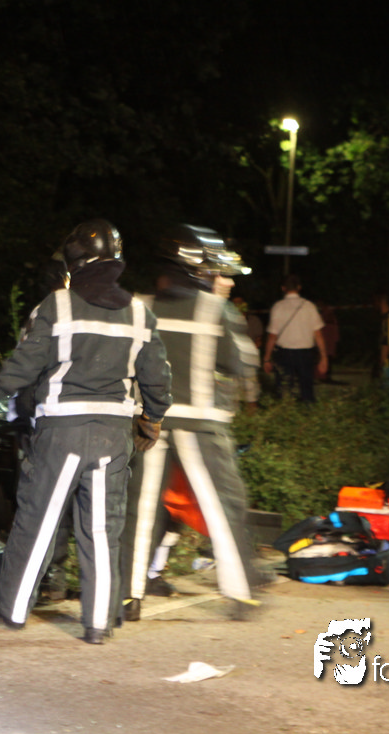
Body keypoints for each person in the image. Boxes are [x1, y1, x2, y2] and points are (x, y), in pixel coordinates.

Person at [0, 219, 171, 645]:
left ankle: (13, 611)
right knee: (101, 530)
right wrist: (151, 420)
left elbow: (25, 364)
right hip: (113, 436)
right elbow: (157, 378)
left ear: (74, 261)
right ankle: (97, 624)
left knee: (39, 521)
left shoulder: (57, 306)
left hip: (61, 431)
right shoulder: (141, 314)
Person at [120, 224, 260, 621]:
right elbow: (237, 363)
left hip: (150, 421)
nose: (220, 277)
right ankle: (241, 594)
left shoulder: (141, 305)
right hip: (200, 424)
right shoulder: (215, 310)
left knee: (141, 509)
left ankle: (128, 596)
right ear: (200, 269)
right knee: (222, 506)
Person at [263, 274, 328, 402]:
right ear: (299, 287)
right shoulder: (309, 306)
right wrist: (323, 357)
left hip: (284, 354)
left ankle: (286, 411)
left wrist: (267, 358)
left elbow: (272, 336)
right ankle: (308, 410)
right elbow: (318, 334)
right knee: (307, 389)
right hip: (305, 354)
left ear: (283, 288)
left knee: (284, 390)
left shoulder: (278, 307)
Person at [230, 294, 262, 415]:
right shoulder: (227, 321)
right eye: (235, 304)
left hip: (249, 362)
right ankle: (236, 420)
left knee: (251, 394)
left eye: (241, 303)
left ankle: (252, 420)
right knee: (233, 395)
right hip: (232, 362)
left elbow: (259, 341)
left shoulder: (253, 321)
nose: (239, 306)